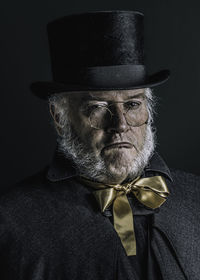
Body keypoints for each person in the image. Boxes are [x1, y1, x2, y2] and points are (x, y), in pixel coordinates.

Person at [0, 10, 199, 280]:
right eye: (97, 107)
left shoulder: (195, 198)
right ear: (60, 117)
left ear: (148, 112)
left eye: (132, 105)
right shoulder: (11, 222)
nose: (120, 125)